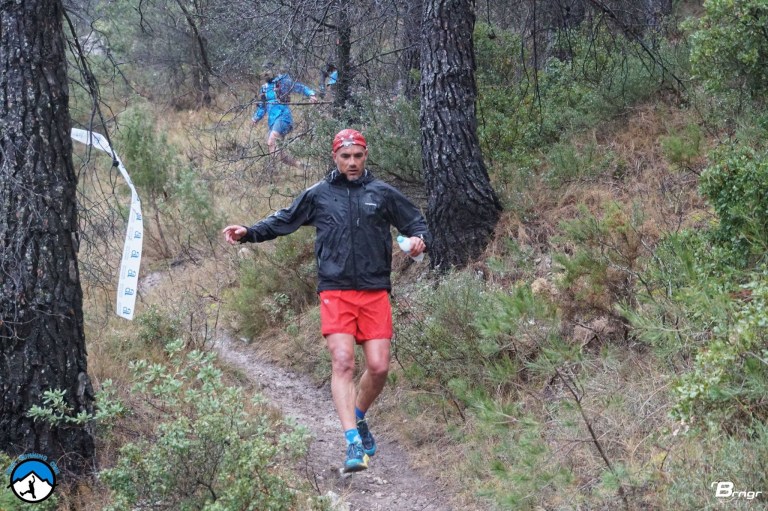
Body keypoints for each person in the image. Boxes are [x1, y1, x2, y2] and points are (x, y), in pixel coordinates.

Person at [223, 129, 430, 473]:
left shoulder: (381, 193)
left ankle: (358, 416)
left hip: (375, 289)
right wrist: (250, 232)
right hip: (335, 291)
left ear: (366, 156)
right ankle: (351, 443)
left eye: (358, 156)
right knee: (343, 362)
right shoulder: (319, 194)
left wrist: (421, 239)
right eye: (345, 156)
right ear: (335, 157)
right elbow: (285, 219)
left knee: (378, 367)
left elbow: (416, 222)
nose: (352, 162)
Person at [252, 62, 318, 168]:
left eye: (268, 71)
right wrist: (256, 118)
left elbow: (299, 87)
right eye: (263, 72)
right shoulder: (264, 88)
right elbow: (262, 106)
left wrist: (311, 94)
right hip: (272, 121)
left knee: (271, 141)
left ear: (273, 71)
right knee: (277, 153)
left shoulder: (283, 82)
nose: (265, 74)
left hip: (283, 117)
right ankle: (302, 167)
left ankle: (270, 172)